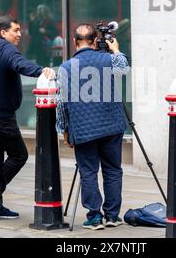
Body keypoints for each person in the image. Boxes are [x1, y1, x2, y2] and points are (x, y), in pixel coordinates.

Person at [0, 15, 55, 221]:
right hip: (0, 116)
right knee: (19, 155)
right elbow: (20, 64)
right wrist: (41, 71)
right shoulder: (6, 48)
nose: (20, 34)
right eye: (15, 30)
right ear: (3, 32)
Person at [56, 24, 130, 230]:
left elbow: (61, 103)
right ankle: (113, 216)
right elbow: (124, 68)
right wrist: (115, 50)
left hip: (83, 128)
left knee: (88, 172)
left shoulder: (65, 68)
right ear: (96, 40)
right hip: (112, 126)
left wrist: (64, 130)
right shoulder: (108, 59)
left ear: (74, 41)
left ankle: (95, 217)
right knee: (113, 170)